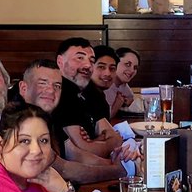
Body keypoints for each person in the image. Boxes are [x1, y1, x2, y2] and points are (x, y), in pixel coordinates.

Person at [17, 58, 134, 185]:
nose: (51, 91)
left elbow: (76, 155)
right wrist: (119, 171)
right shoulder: (21, 123)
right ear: (23, 88)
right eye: (43, 83)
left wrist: (117, 160)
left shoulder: (46, 118)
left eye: (57, 86)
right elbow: (65, 170)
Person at [55, 38, 137, 174]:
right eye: (79, 58)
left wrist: (95, 141)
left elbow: (116, 139)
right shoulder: (61, 94)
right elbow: (80, 152)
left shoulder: (89, 92)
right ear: (60, 62)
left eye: (91, 61)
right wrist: (102, 142)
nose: (87, 65)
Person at [106, 47, 142, 118]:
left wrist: (127, 103)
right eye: (127, 64)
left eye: (135, 68)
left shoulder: (123, 85)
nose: (132, 70)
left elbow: (130, 99)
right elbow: (102, 120)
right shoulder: (104, 84)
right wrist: (117, 104)